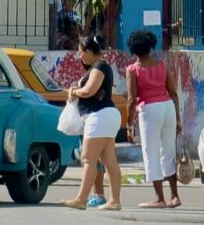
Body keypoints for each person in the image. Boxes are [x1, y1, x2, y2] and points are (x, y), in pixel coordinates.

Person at [62, 35, 123, 212]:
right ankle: (114, 200)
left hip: (99, 116)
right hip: (105, 116)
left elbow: (90, 91)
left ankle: (81, 199)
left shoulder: (100, 66)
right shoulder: (96, 68)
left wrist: (75, 92)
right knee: (109, 160)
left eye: (81, 52)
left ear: (89, 51)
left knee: (88, 158)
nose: (80, 56)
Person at [125, 30, 181, 210]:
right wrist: (178, 119)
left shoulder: (133, 69)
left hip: (149, 110)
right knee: (168, 152)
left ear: (133, 50)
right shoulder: (161, 65)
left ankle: (159, 198)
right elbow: (173, 92)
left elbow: (132, 99)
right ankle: (174, 196)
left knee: (151, 153)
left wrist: (129, 125)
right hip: (168, 107)